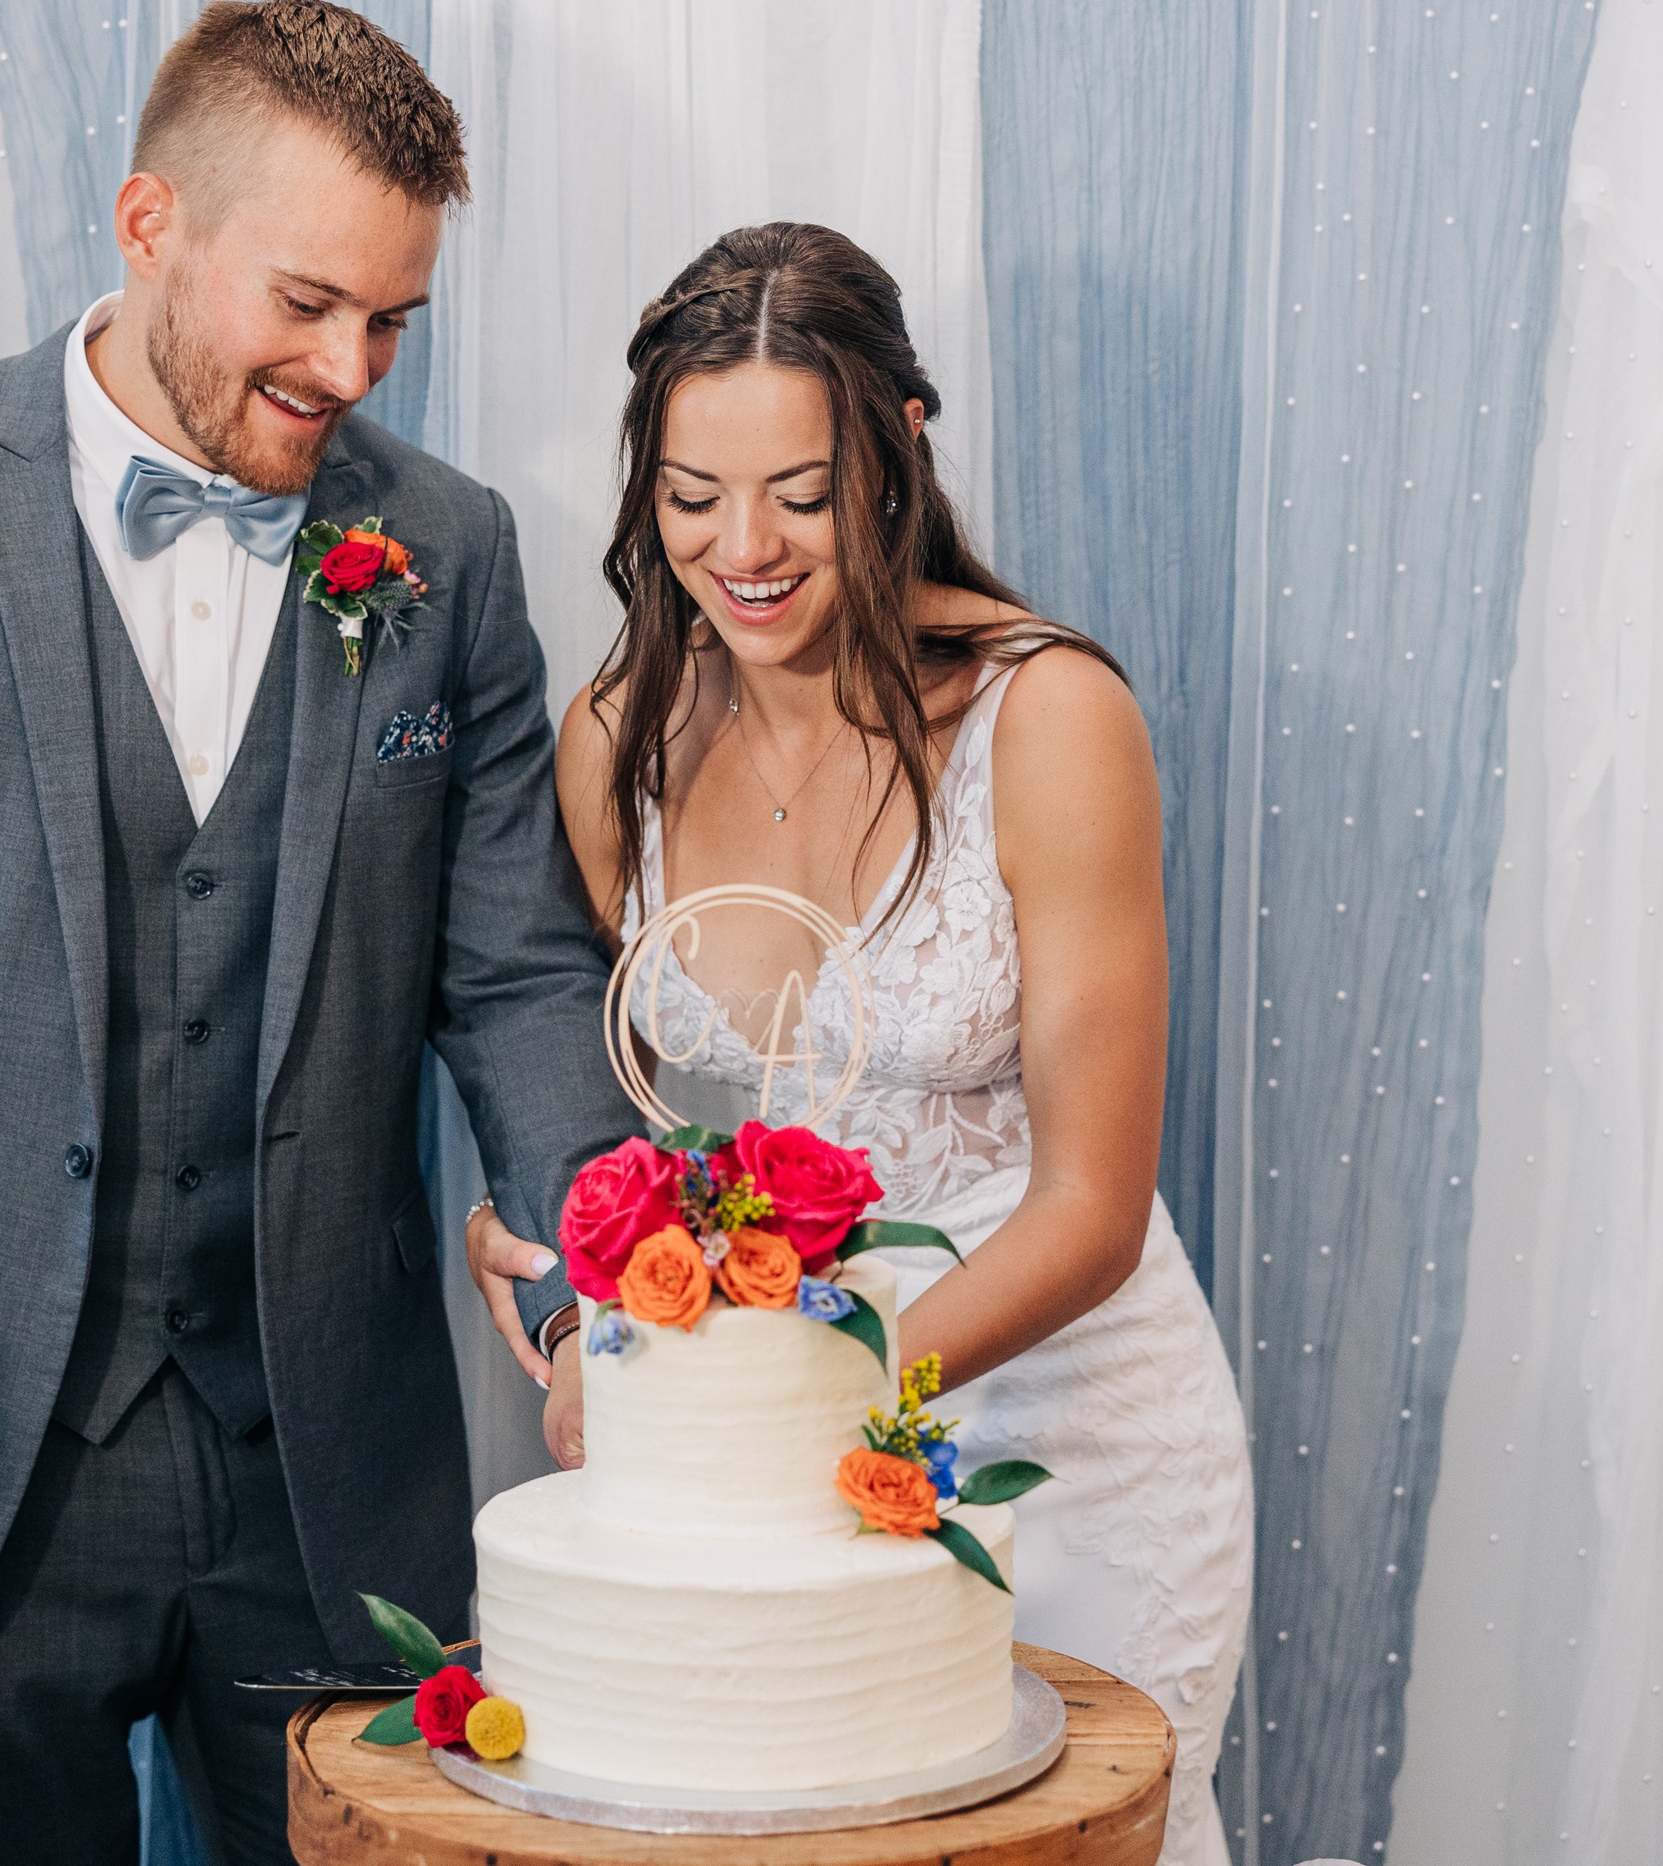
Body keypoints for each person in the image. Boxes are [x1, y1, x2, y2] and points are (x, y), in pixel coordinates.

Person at [0, 0, 637, 1864]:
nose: (354, 368)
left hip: (326, 1475)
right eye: (308, 302)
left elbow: (520, 977)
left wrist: (603, 1307)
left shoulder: (452, 554)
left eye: (395, 316)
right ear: (148, 222)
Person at [466, 221, 1251, 1865]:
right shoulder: (617, 740)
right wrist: (556, 1279)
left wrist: (780, 1407)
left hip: (1065, 1426)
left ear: (898, 449)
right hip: (770, 1468)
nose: (742, 548)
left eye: (800, 495)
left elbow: (1095, 1208)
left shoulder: (1051, 721)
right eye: (691, 498)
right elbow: (588, 1095)